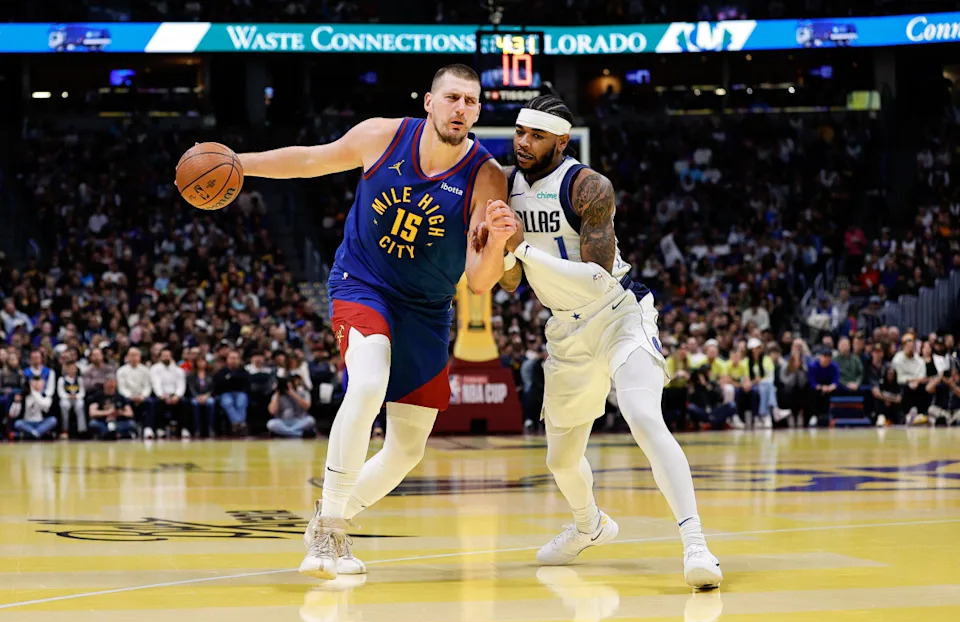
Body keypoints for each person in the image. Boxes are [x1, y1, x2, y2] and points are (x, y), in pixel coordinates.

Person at [233, 64, 515, 580]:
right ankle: (332, 532)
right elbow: (309, 161)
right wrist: (238, 163)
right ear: (429, 103)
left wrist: (495, 243)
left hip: (426, 310)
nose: (461, 109)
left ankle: (325, 519)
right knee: (366, 385)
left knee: (406, 449)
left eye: (471, 102)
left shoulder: (486, 175)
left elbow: (478, 281)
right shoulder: (383, 136)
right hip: (363, 285)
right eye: (452, 98)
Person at [495, 95, 721, 588]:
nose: (523, 143)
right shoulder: (507, 186)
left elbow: (597, 278)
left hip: (619, 314)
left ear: (561, 140)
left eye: (535, 135)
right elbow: (511, 283)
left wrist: (522, 249)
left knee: (643, 417)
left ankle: (697, 545)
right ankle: (589, 526)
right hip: (565, 330)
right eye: (518, 132)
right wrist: (503, 254)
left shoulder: (588, 186)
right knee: (559, 459)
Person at [117, 347, 155, 438]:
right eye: (131, 355)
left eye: (136, 355)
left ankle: (148, 428)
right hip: (128, 397)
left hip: (142, 396)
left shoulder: (145, 370)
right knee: (125, 403)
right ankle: (131, 429)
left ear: (140, 357)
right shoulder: (121, 371)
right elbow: (121, 388)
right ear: (128, 357)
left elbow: (147, 386)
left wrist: (143, 396)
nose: (134, 357)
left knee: (150, 402)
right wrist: (130, 396)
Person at [150, 347, 188, 439]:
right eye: (164, 356)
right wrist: (161, 395)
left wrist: (177, 396)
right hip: (162, 395)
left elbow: (181, 385)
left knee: (184, 402)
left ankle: (183, 429)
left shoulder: (178, 370)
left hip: (175, 395)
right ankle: (160, 429)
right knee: (156, 403)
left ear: (171, 357)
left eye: (168, 355)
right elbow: (156, 383)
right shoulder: (155, 369)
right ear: (160, 357)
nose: (166, 357)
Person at [186, 356, 216, 438]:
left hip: (207, 396)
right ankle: (197, 429)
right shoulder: (191, 375)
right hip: (196, 396)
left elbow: (213, 388)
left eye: (203, 361)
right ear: (196, 363)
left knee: (211, 403)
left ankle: (211, 428)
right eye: (199, 361)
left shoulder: (211, 374)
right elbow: (191, 388)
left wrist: (206, 396)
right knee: (194, 404)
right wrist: (197, 396)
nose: (201, 363)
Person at [57, 360, 86, 437]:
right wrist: (68, 396)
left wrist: (76, 396)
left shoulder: (79, 379)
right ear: (66, 369)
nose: (72, 370)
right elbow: (60, 392)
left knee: (80, 405)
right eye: (70, 368)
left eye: (73, 368)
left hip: (76, 398)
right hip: (66, 399)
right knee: (64, 405)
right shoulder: (62, 379)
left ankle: (82, 429)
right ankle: (65, 429)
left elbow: (82, 392)